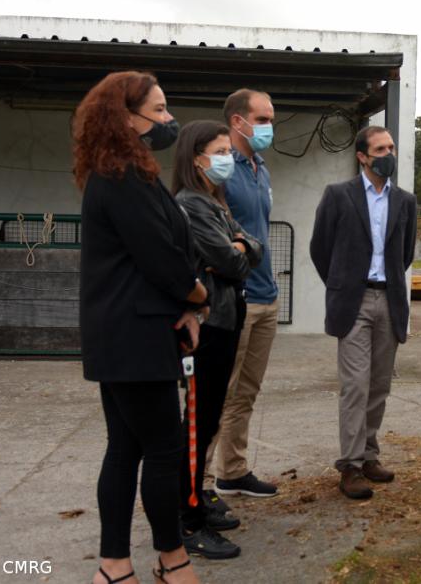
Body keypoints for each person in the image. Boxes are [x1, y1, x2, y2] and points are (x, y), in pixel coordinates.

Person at [74, 71, 205, 584]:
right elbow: (162, 258)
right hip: (134, 336)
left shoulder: (127, 174)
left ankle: (114, 566)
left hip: (129, 333)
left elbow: (167, 247)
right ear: (127, 118)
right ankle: (171, 559)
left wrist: (191, 305)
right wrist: (197, 296)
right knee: (162, 449)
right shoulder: (121, 178)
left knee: (126, 448)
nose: (169, 119)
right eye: (160, 109)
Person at [309, 125, 417, 500]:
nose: (388, 153)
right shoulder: (338, 195)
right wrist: (342, 283)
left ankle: (369, 454)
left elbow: (404, 254)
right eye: (380, 148)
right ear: (362, 156)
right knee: (355, 385)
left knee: (379, 384)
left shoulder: (405, 201)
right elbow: (320, 248)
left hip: (389, 300)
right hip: (352, 302)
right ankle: (351, 465)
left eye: (391, 146)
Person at [172, 120, 263, 560]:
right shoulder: (191, 204)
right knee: (197, 421)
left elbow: (253, 249)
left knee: (207, 418)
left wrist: (242, 247)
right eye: (221, 151)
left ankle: (196, 498)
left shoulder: (215, 202)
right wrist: (241, 247)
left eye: (230, 150)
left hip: (227, 317)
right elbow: (231, 260)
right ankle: (186, 518)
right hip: (206, 326)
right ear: (197, 157)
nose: (229, 158)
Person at [208, 89, 281, 500]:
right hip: (236, 297)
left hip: (266, 294)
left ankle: (232, 471)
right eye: (264, 119)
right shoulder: (221, 169)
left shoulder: (261, 167)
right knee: (220, 392)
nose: (270, 127)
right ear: (239, 121)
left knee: (246, 392)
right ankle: (196, 489)